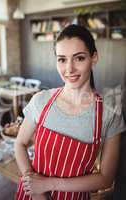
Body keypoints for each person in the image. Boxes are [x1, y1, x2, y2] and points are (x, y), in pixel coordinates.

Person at [15, 24, 125, 200]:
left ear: (94, 57)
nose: (69, 69)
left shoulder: (110, 113)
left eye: (79, 58)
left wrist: (49, 184)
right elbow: (19, 144)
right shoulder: (41, 100)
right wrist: (33, 185)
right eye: (62, 59)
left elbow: (106, 178)